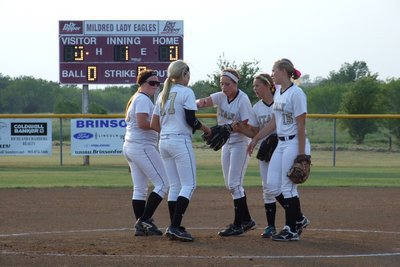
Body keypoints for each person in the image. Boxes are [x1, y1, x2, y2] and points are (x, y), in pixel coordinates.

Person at [247, 59, 311, 241]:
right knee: (272, 185)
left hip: (293, 143)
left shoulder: (297, 93)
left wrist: (302, 154)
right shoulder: (280, 94)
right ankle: (298, 218)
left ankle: (291, 229)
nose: (272, 73)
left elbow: (301, 124)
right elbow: (274, 122)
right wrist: (255, 139)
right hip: (281, 144)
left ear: (283, 71)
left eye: (274, 70)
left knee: (287, 186)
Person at [151, 60, 211, 242]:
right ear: (184, 74)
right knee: (189, 185)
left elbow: (154, 124)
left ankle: (173, 225)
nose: (189, 78)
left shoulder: (163, 93)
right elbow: (191, 120)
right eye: (188, 74)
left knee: (175, 186)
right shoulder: (187, 92)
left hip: (164, 142)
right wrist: (207, 129)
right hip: (179, 141)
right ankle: (175, 226)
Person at [196, 68, 256, 237]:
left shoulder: (243, 100)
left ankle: (239, 223)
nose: (224, 87)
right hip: (226, 144)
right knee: (231, 186)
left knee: (234, 184)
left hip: (240, 144)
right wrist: (188, 103)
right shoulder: (221, 96)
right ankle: (247, 220)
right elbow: (204, 102)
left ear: (236, 83)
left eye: (227, 84)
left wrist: (230, 127)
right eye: (221, 83)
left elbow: (247, 126)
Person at [232, 73, 283, 238]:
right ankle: (271, 226)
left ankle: (295, 219)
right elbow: (254, 131)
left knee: (285, 186)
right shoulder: (257, 108)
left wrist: (255, 139)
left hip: (283, 148)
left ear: (268, 85)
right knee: (267, 187)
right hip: (266, 150)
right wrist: (240, 128)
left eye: (257, 86)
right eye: (253, 86)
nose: (255, 89)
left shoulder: (281, 100)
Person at [123, 69, 169, 237]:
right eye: (152, 83)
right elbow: (143, 123)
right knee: (164, 184)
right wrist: (164, 126)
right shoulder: (142, 99)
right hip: (142, 146)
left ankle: (140, 226)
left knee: (140, 189)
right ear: (142, 84)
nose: (155, 86)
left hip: (132, 146)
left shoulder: (137, 98)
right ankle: (145, 220)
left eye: (157, 83)